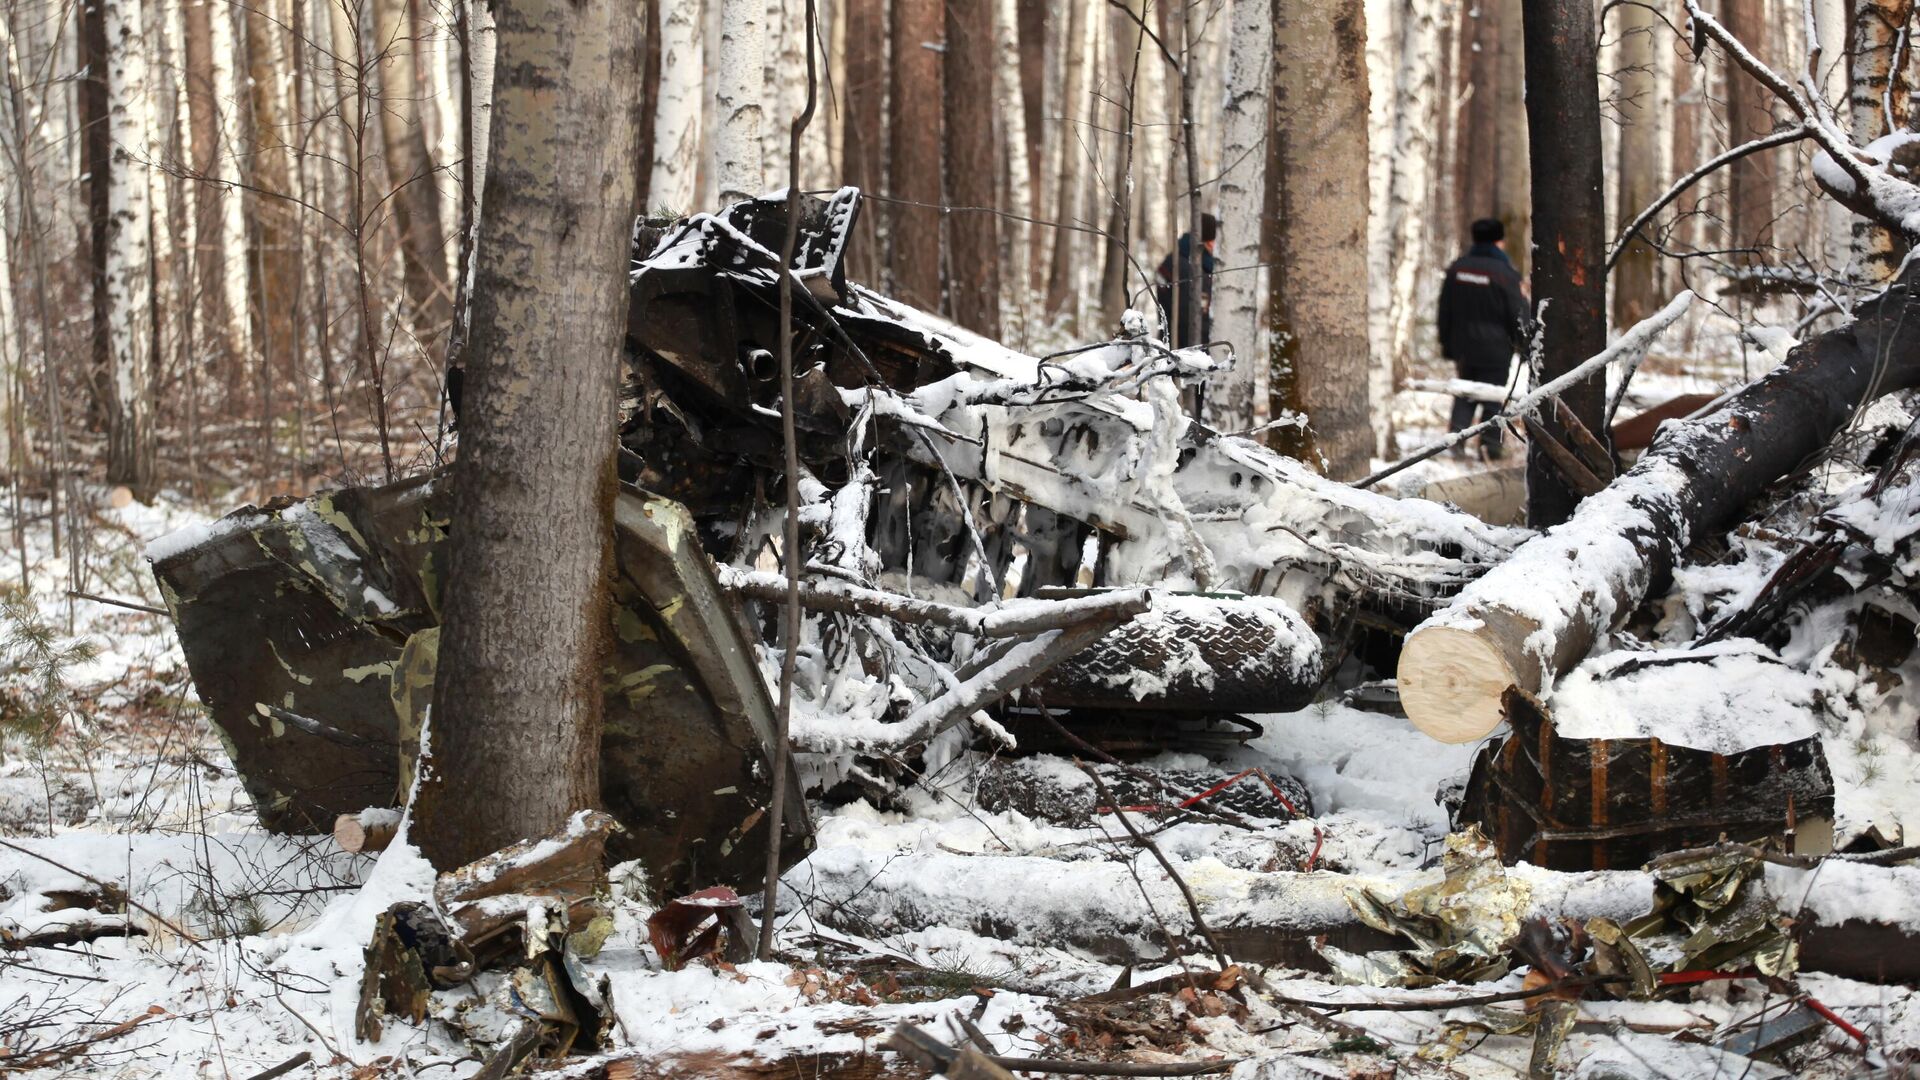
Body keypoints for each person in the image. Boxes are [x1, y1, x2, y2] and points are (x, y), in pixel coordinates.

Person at [1437, 218, 1531, 460]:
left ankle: (1455, 443)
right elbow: (1517, 312)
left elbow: (1444, 308)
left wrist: (1447, 343)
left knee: (1465, 393)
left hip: (1463, 346)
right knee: (1492, 396)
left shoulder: (1458, 268)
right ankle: (1490, 448)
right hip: (1496, 347)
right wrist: (1525, 344)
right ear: (1499, 241)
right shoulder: (1505, 273)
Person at [1156, 213, 1218, 350]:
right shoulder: (1193, 270)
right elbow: (1192, 318)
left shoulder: (1174, 259)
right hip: (1186, 353)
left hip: (1169, 345)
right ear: (1208, 241)